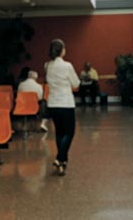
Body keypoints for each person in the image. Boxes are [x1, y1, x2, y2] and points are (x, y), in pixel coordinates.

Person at [45, 39, 80, 176]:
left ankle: (62, 162)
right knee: (69, 132)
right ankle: (59, 158)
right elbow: (76, 83)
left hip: (53, 103)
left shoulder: (47, 65)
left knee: (59, 133)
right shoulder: (67, 66)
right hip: (66, 103)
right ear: (62, 50)